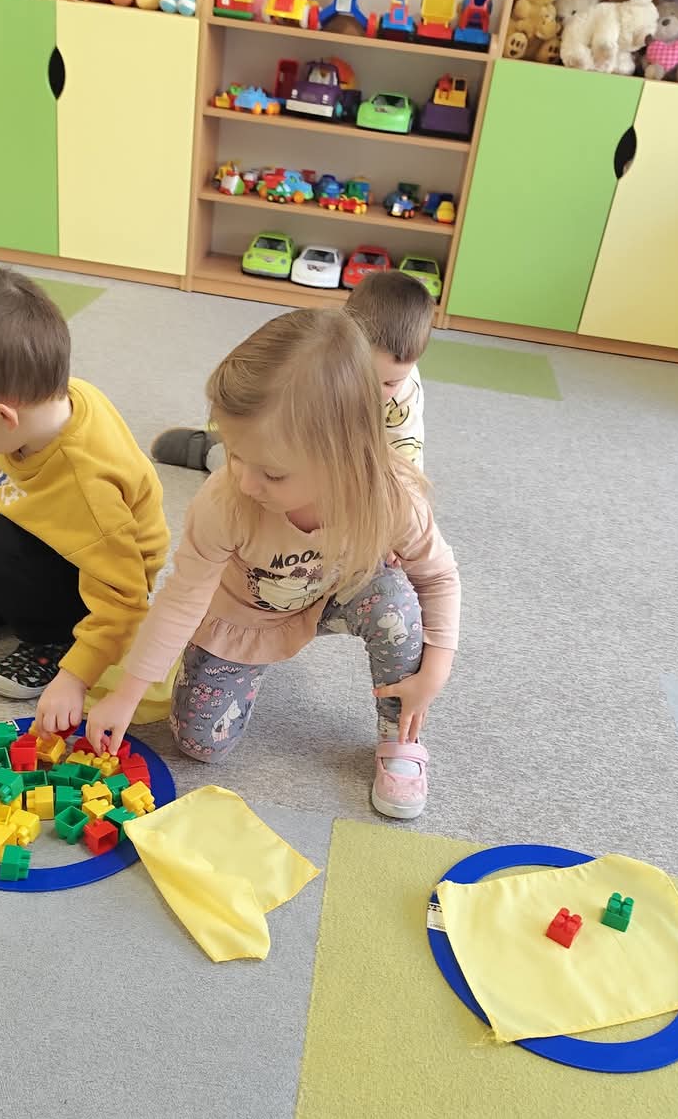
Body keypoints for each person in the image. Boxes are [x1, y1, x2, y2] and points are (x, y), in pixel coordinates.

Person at [86, 309, 460, 820]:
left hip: (336, 593)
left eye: (272, 473)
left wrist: (436, 668)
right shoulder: (226, 501)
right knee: (199, 746)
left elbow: (438, 577)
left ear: (345, 457)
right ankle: (210, 451)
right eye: (236, 456)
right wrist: (127, 695)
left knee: (395, 602)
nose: (246, 482)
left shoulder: (392, 497)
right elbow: (182, 596)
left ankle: (400, 741)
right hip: (248, 614)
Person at [0, 268, 170, 736]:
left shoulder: (89, 489)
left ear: (2, 416)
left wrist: (75, 677)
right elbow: (6, 453)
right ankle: (29, 606)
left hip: (99, 576)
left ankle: (53, 641)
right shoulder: (48, 406)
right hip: (50, 541)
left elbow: (125, 601)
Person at [149, 268, 431, 474]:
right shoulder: (322, 360)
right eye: (364, 375)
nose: (373, 390)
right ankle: (210, 449)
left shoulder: (406, 396)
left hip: (356, 464)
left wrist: (401, 510)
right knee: (248, 473)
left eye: (390, 383)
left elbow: (407, 461)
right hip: (299, 447)